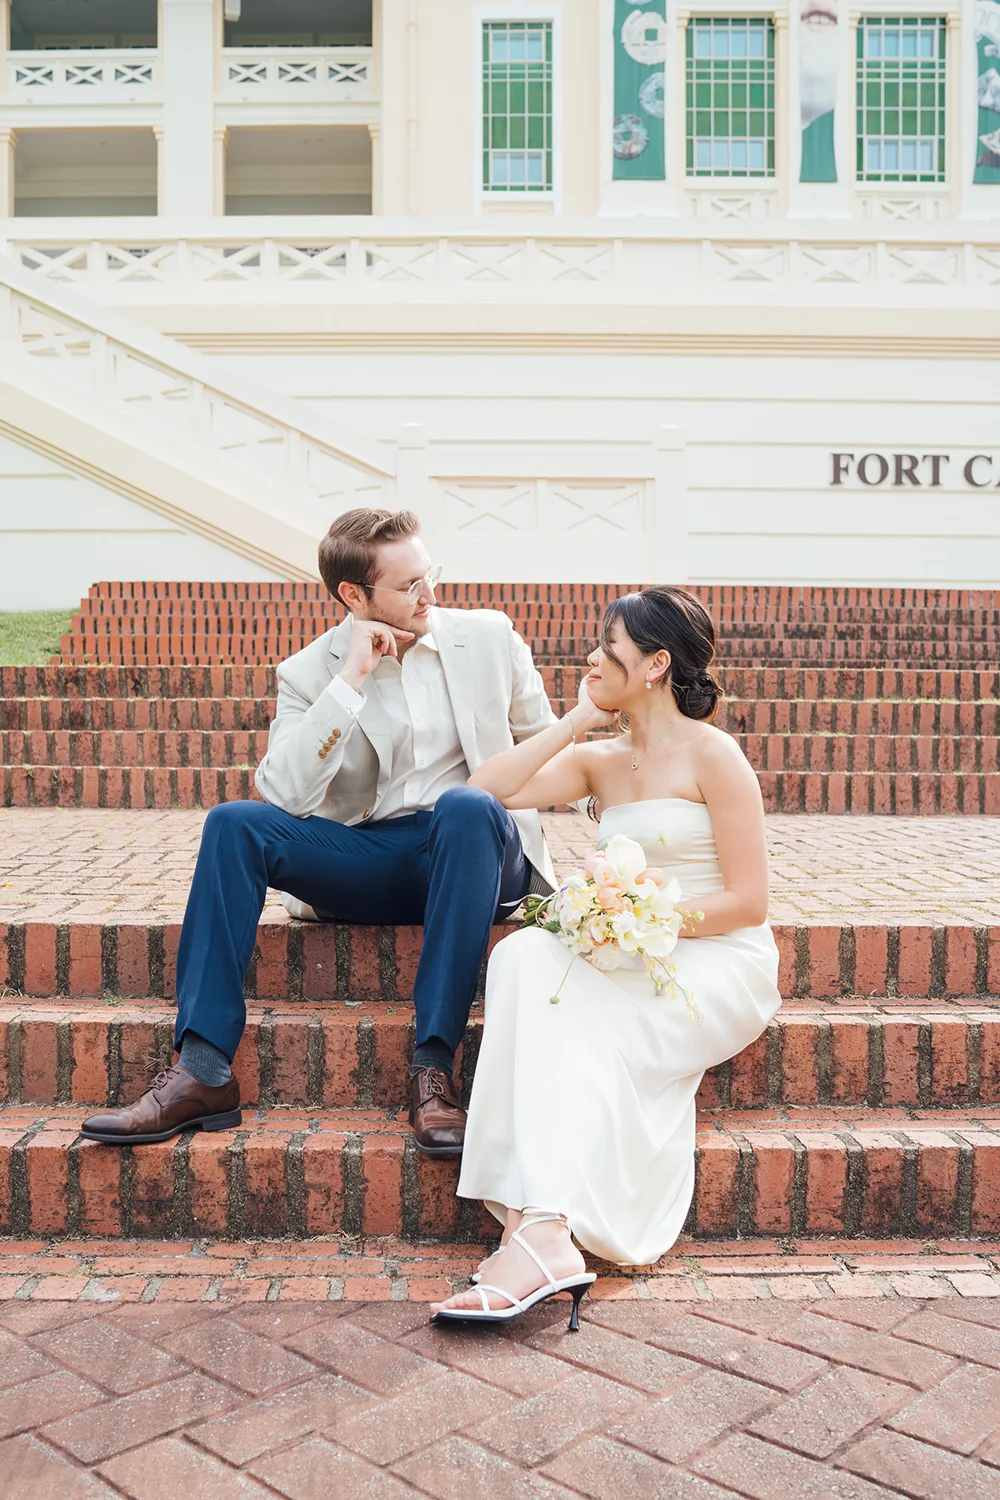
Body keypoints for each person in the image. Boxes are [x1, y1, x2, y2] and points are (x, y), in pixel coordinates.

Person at [81, 508, 557, 1153]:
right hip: (374, 858)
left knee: (468, 805)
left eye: (429, 575)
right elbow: (284, 792)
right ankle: (202, 1070)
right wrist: (351, 679)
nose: (429, 595)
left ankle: (433, 1068)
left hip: (476, 851)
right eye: (408, 586)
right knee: (234, 824)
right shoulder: (310, 672)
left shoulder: (490, 638)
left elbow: (547, 748)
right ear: (353, 596)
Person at [432, 586, 781, 1327]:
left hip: (715, 959)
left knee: (572, 1016)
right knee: (523, 958)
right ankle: (544, 1231)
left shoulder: (715, 757)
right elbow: (481, 793)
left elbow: (750, 902)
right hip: (630, 951)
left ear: (655, 665)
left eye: (610, 648)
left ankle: (536, 1228)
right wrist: (576, 720)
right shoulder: (600, 761)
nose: (593, 656)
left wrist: (643, 921)